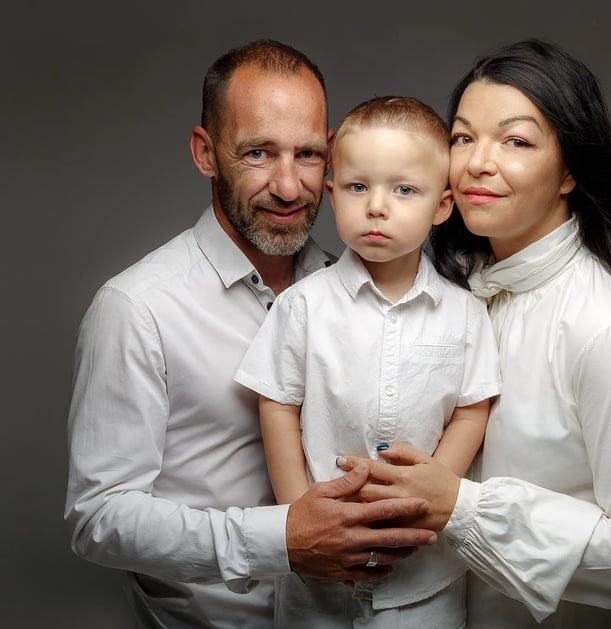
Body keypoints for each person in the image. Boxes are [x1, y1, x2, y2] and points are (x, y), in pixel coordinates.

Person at [64, 40, 438, 629]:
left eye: (309, 154)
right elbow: (100, 519)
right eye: (258, 153)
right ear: (205, 152)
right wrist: (281, 539)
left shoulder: (360, 289)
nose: (289, 187)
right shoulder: (136, 309)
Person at [338, 39, 611, 628]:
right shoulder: (456, 293)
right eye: (463, 137)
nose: (477, 163)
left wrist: (461, 507)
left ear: (569, 172)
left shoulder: (608, 328)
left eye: (516, 141)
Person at [234, 96, 500, 628]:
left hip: (424, 579)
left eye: (404, 190)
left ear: (442, 206)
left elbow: (474, 408)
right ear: (332, 195)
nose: (377, 206)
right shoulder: (303, 306)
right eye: (358, 187)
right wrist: (298, 515)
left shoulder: (466, 314)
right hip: (317, 585)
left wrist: (432, 491)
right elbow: (277, 405)